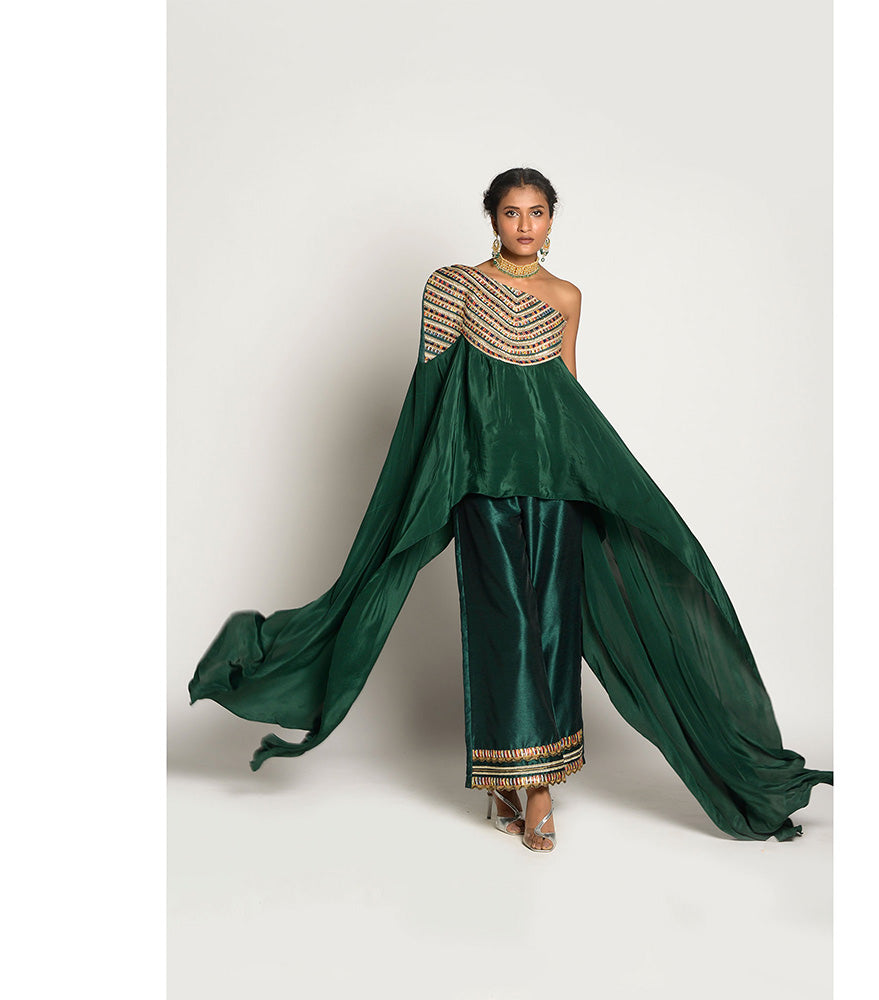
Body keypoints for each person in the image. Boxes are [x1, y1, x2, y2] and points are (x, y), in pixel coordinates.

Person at [189, 166, 833, 852]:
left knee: (553, 626)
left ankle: (538, 785)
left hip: (556, 486)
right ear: (492, 219)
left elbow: (569, 396)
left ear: (552, 220)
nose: (525, 224)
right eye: (511, 212)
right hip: (482, 489)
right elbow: (430, 397)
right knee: (506, 629)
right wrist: (426, 486)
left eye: (537, 212)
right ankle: (514, 780)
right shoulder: (453, 288)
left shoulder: (566, 296)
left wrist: (601, 481)